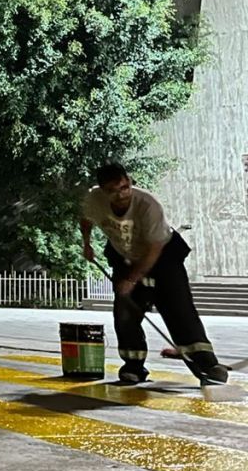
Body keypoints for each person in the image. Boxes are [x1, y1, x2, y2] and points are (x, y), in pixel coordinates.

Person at [79, 162, 228, 384]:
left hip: (163, 255)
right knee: (125, 312)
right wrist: (87, 245)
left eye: (124, 187)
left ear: (129, 182)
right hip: (124, 254)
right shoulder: (94, 199)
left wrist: (132, 279)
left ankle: (207, 365)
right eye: (113, 191)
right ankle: (133, 366)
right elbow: (86, 219)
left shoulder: (148, 205)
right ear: (103, 190)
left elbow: (154, 249)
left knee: (179, 309)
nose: (120, 195)